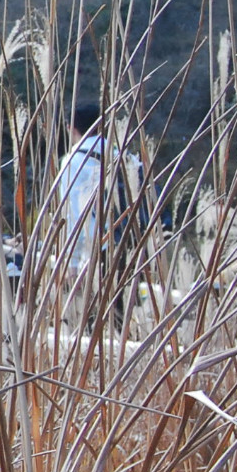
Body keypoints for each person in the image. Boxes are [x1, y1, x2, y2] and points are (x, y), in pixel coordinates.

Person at [52, 101, 144, 326]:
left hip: (95, 251)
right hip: (130, 245)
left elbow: (73, 215)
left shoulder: (72, 163)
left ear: (71, 128)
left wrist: (71, 261)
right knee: (121, 318)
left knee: (94, 322)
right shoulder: (126, 157)